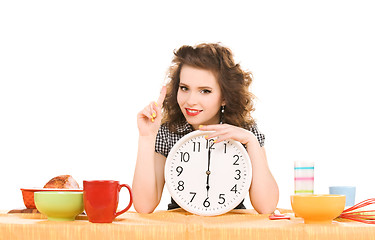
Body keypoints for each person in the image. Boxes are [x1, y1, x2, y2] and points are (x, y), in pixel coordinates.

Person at [132, 43, 279, 214]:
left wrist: (251, 141)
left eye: (205, 91)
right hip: (182, 228)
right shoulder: (170, 132)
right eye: (184, 88)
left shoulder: (244, 131)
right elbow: (144, 206)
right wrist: (146, 137)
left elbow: (267, 206)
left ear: (225, 97)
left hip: (232, 227)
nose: (191, 100)